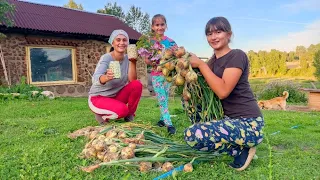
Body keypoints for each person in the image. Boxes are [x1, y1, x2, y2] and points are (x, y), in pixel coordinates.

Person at [184, 17, 264, 171]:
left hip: (248, 123)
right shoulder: (212, 62)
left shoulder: (237, 55)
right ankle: (238, 148)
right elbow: (203, 91)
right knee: (191, 108)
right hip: (228, 120)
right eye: (209, 34)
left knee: (192, 134)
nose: (213, 37)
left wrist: (200, 64)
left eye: (218, 32)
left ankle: (248, 142)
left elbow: (222, 91)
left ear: (229, 34)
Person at [88, 29, 143, 125]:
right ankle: (101, 115)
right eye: (118, 40)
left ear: (127, 43)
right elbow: (95, 78)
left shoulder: (128, 58)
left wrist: (133, 62)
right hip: (98, 97)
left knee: (137, 85)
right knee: (122, 110)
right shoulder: (107, 58)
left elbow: (132, 80)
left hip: (115, 97)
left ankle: (129, 115)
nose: (121, 43)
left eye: (124, 40)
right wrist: (106, 77)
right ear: (112, 43)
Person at [144, 14, 178, 135]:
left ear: (166, 26)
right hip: (156, 74)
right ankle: (169, 124)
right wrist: (152, 61)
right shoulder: (149, 42)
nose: (160, 27)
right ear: (152, 27)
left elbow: (176, 57)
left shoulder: (170, 42)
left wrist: (175, 53)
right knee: (162, 98)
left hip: (167, 75)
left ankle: (162, 119)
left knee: (165, 97)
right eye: (157, 25)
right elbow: (146, 60)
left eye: (162, 24)